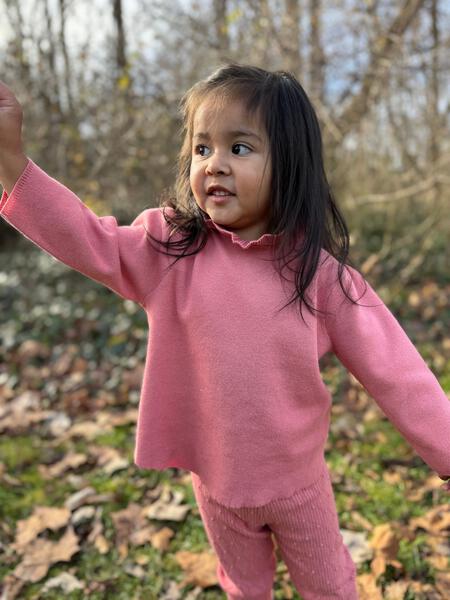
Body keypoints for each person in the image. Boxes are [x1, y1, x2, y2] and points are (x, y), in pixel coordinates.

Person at [0, 63, 449, 600]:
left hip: (298, 487)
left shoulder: (320, 277)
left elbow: (396, 371)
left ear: (290, 164)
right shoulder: (171, 248)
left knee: (330, 586)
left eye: (240, 148)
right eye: (202, 148)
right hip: (216, 484)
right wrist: (9, 159)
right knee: (242, 588)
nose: (215, 164)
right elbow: (84, 238)